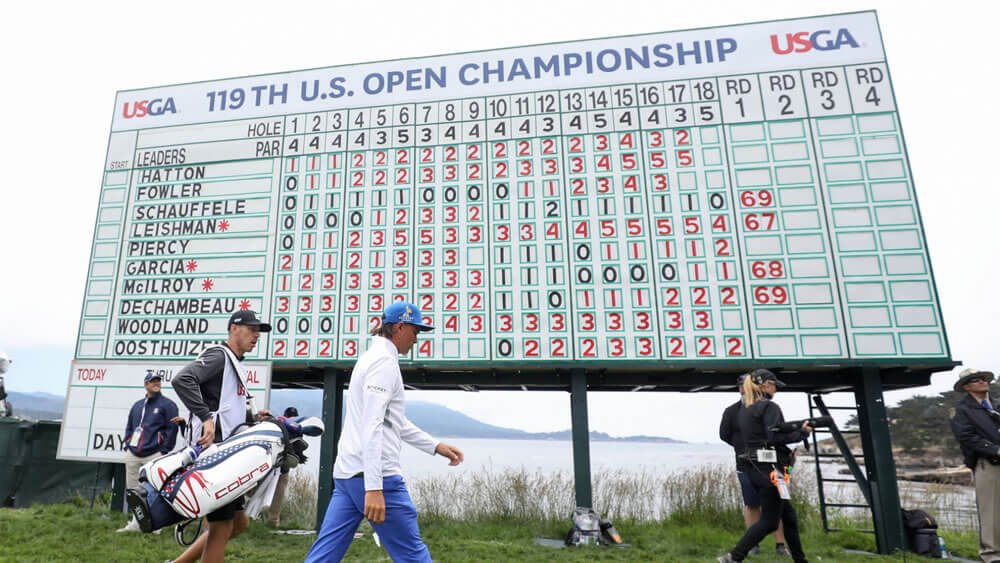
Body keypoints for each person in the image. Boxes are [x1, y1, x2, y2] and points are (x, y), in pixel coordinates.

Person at [306, 301, 465, 562]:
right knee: (413, 555)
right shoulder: (383, 363)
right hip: (376, 478)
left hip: (347, 476)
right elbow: (373, 426)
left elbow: (392, 420)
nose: (416, 339)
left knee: (323, 556)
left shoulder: (372, 358)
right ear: (400, 327)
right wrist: (374, 488)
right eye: (416, 331)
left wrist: (435, 446)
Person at [170, 309, 272, 563]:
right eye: (251, 329)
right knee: (222, 526)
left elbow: (226, 411)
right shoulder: (220, 356)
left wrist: (253, 419)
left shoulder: (235, 363)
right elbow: (183, 380)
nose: (256, 335)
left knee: (238, 523)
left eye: (258, 331)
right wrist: (205, 417)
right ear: (234, 329)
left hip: (228, 456)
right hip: (213, 455)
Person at [718, 369, 811, 563]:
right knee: (769, 521)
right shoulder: (769, 407)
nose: (776, 389)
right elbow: (773, 436)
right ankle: (733, 557)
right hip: (770, 471)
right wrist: (801, 434)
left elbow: (759, 435)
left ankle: (800, 560)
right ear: (766, 384)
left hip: (754, 468)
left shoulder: (744, 409)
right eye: (774, 384)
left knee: (789, 517)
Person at [719, 373, 787, 555]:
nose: (744, 388)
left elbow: (777, 430)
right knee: (751, 503)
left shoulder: (767, 407)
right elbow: (724, 434)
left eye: (746, 384)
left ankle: (780, 544)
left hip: (772, 462)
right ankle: (753, 544)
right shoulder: (732, 410)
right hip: (744, 463)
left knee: (776, 503)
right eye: (741, 385)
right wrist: (742, 447)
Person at [117, 371, 182, 532]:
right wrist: (128, 443)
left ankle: (155, 525)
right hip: (134, 453)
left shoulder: (168, 405)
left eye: (158, 381)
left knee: (153, 491)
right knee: (133, 490)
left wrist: (164, 450)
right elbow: (130, 426)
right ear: (146, 384)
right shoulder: (138, 405)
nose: (156, 383)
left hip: (154, 454)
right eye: (153, 381)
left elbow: (172, 430)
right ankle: (135, 522)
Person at [950, 368, 1000, 563]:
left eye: (983, 379)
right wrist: (995, 450)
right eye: (976, 380)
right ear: (967, 387)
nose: (982, 382)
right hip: (988, 464)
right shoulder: (962, 411)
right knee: (991, 510)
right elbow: (967, 438)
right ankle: (991, 554)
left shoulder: (996, 405)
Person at [267, 406, 300, 527]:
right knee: (277, 497)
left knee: (274, 495)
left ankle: (272, 521)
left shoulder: (279, 425)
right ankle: (273, 521)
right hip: (281, 468)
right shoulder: (296, 428)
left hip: (275, 467)